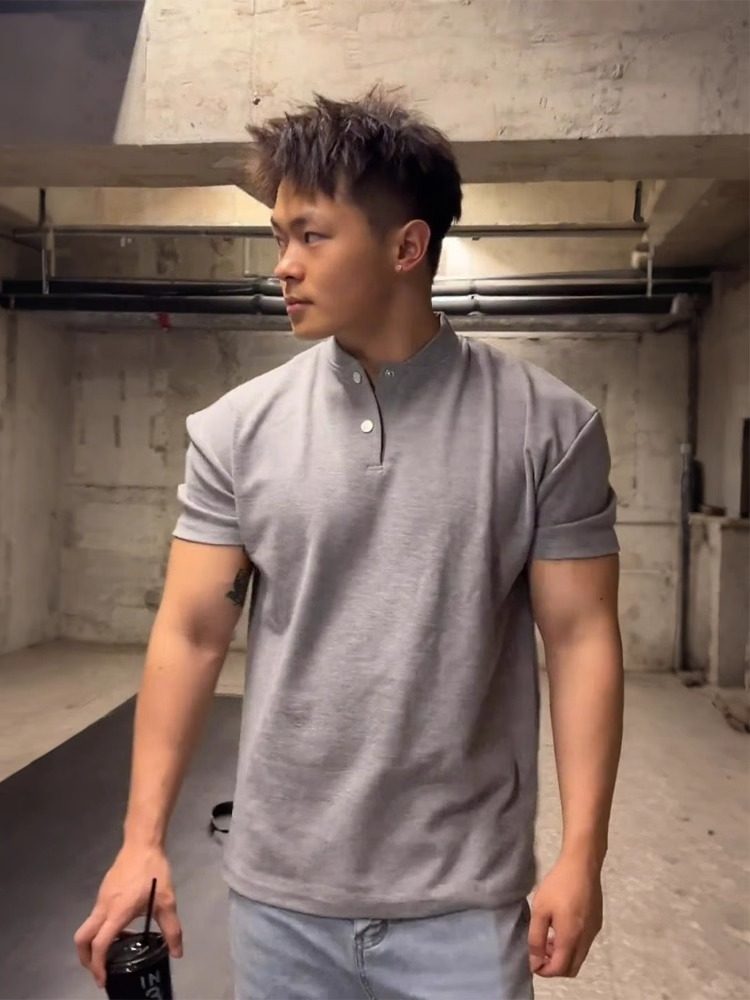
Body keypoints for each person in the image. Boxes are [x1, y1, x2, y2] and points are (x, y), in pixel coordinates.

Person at [75, 88, 624, 999]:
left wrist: (583, 853)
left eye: (312, 236)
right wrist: (142, 840)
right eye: (278, 237)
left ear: (407, 247)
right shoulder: (235, 430)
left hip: (463, 908)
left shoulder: (549, 428)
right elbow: (191, 634)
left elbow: (580, 638)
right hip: (281, 904)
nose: (283, 266)